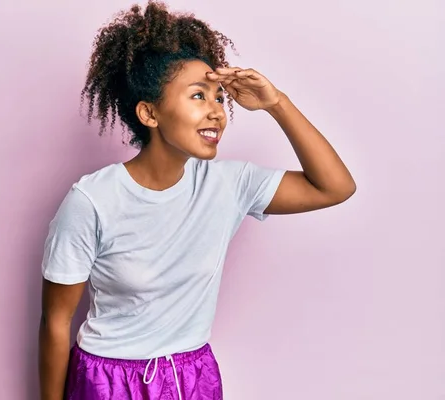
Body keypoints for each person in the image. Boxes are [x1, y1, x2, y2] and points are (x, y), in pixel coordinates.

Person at [38, 2, 356, 399]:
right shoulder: (92, 201)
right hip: (109, 381)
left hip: (193, 375)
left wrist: (277, 103)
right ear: (149, 113)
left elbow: (335, 187)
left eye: (219, 97)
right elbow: (56, 320)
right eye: (198, 96)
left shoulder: (230, 183)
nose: (217, 112)